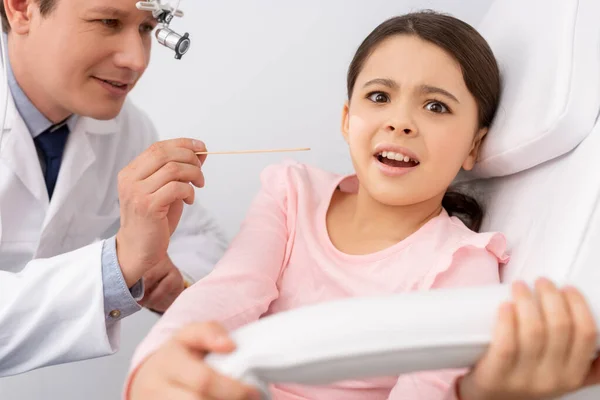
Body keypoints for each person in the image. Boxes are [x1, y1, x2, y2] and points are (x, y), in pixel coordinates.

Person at [125, 11, 600, 400]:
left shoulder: (460, 263)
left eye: (436, 106)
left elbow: (426, 391)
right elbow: (230, 291)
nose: (401, 122)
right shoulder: (292, 193)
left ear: (475, 146)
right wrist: (159, 358)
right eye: (379, 96)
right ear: (348, 120)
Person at [0, 0, 228, 378]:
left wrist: (171, 280)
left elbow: (196, 237)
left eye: (146, 29)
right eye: (108, 21)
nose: (137, 61)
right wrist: (119, 266)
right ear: (22, 9)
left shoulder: (127, 131)